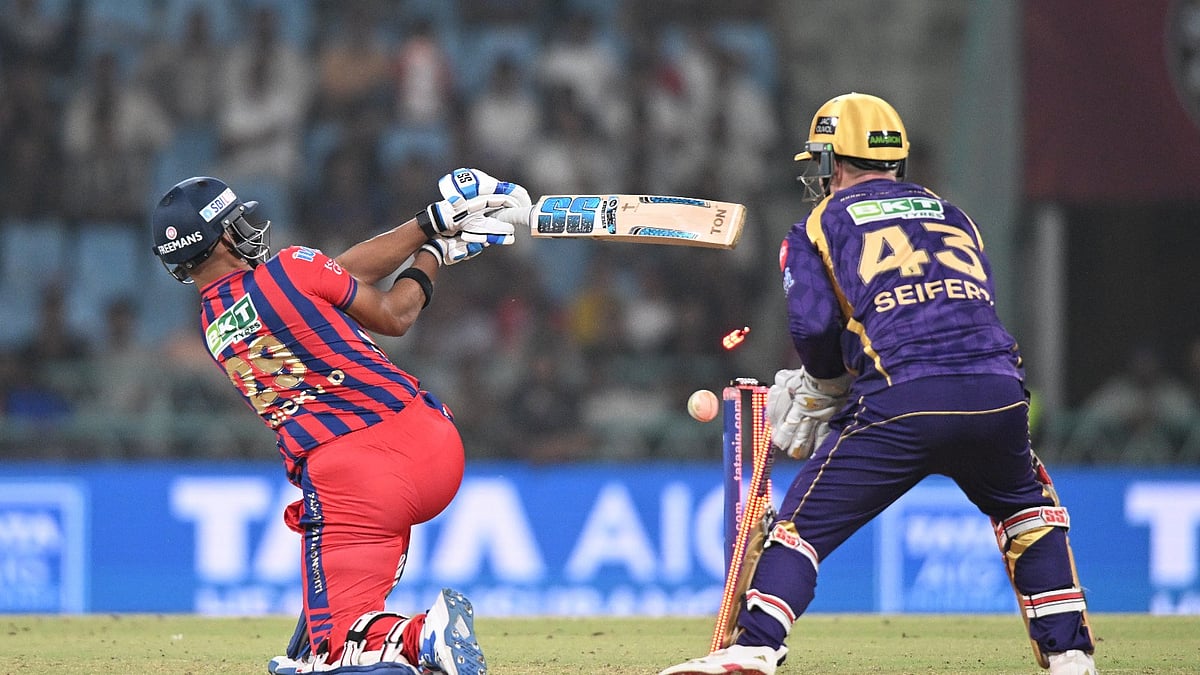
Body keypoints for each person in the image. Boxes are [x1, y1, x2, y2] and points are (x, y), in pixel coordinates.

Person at [659, 93, 1097, 675]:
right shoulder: (954, 214)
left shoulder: (819, 223)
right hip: (998, 389)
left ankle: (756, 644)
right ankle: (1069, 655)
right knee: (1026, 510)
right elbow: (966, 302)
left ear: (831, 163)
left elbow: (814, 325)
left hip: (904, 398)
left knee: (801, 524)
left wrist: (823, 384)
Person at [150, 169, 530, 674]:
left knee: (332, 652)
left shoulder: (212, 326)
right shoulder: (289, 269)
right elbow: (389, 311)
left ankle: (422, 636)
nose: (247, 226)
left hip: (357, 480)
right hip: (430, 440)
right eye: (236, 221)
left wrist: (432, 229)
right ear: (221, 238)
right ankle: (328, 645)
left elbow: (329, 279)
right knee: (319, 647)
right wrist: (434, 246)